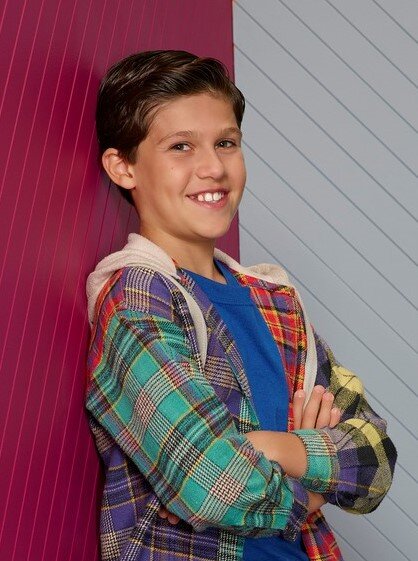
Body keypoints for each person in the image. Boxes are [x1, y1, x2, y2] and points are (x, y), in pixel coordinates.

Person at [85, 50, 397, 561]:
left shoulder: (274, 300)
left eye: (226, 143)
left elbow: (376, 461)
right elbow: (217, 486)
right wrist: (313, 485)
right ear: (123, 168)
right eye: (181, 146)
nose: (213, 168)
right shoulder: (138, 298)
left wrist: (265, 447)